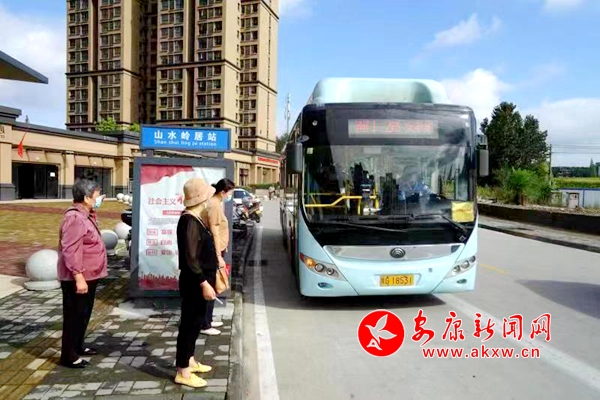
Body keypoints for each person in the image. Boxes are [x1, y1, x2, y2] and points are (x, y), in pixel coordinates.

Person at [57, 179, 107, 369]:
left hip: (89, 276)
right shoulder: (75, 218)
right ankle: (69, 355)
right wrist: (78, 277)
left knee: (83, 314)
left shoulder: (86, 215)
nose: (99, 198)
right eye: (97, 195)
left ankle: (78, 346)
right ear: (86, 198)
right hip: (78, 278)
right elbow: (70, 249)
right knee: (74, 316)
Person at [174, 177, 219, 388]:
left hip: (201, 280)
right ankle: (182, 370)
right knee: (188, 323)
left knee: (195, 323)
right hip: (195, 283)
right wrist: (204, 282)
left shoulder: (196, 218)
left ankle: (189, 360)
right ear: (202, 199)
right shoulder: (189, 221)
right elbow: (190, 258)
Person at [200, 178, 235, 336]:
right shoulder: (214, 205)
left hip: (218, 249)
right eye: (230, 192)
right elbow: (214, 231)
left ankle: (208, 318)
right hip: (214, 251)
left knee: (213, 284)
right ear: (223, 192)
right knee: (211, 284)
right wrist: (218, 255)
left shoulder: (216, 203)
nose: (230, 195)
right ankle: (205, 324)